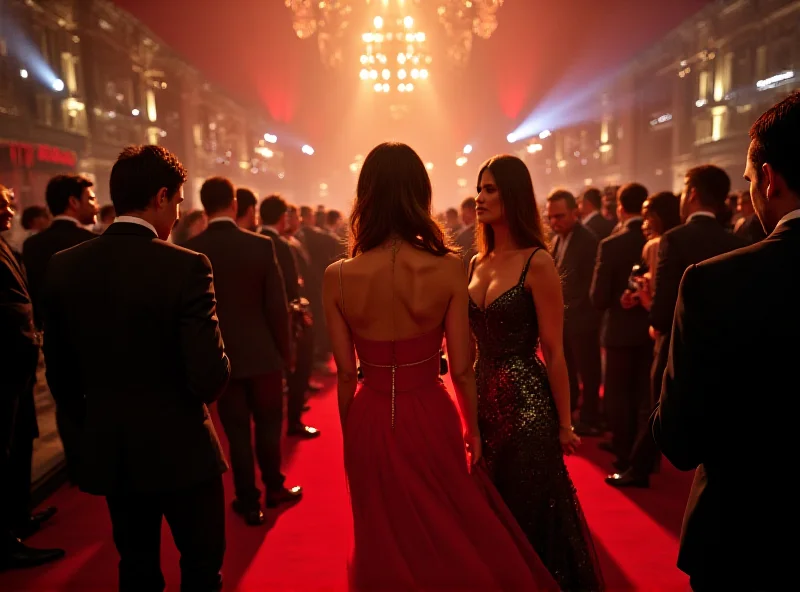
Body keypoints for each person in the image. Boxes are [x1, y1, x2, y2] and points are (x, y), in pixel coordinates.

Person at [323, 142, 558, 591]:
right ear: (420, 195)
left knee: (382, 534)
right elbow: (463, 368)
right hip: (431, 411)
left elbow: (347, 374)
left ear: (364, 195)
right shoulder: (449, 266)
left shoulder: (337, 275)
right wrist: (472, 430)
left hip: (370, 416)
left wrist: (351, 433)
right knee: (447, 526)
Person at [41, 145, 230, 591]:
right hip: (183, 447)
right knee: (202, 567)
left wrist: (97, 422)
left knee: (137, 566)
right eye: (179, 202)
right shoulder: (186, 266)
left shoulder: (65, 267)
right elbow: (209, 376)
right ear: (161, 197)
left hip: (114, 448)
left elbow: (60, 375)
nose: (179, 215)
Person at [653, 93, 800, 591]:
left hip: (743, 538)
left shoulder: (714, 282)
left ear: (770, 178)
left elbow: (679, 439)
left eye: (749, 179)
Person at [469, 155, 602, 591]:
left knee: (528, 518)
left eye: (490, 189)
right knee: (492, 519)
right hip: (484, 406)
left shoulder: (538, 262)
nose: (480, 197)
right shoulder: (475, 263)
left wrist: (565, 423)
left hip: (528, 408)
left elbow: (555, 352)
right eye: (479, 188)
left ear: (513, 195)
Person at [608, 170, 744, 489]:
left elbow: (667, 299)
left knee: (656, 402)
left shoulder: (675, 238)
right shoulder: (734, 240)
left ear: (693, 193)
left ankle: (639, 467)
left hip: (675, 338)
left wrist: (654, 320)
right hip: (721, 340)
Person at [185, 178, 302, 525]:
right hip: (264, 355)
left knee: (236, 433)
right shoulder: (260, 245)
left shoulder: (193, 249)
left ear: (205, 207)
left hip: (224, 359)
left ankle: (247, 499)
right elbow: (277, 307)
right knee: (269, 425)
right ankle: (275, 487)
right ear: (234, 204)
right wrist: (287, 351)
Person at [0, 185, 65, 571]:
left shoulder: (6, 243)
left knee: (21, 442)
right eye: (5, 205)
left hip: (17, 366)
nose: (12, 211)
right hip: (3, 366)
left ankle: (18, 517)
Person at [23, 175, 99, 483]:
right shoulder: (92, 242)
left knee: (64, 400)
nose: (94, 204)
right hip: (94, 338)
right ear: (73, 201)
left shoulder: (32, 245)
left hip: (52, 336)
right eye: (90, 198)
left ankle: (77, 466)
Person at [590, 183, 652, 474]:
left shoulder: (611, 244)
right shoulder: (661, 240)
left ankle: (624, 454)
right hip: (653, 329)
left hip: (618, 332)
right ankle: (646, 457)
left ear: (620, 208)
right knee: (645, 396)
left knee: (618, 395)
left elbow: (598, 298)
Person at [260, 195, 320, 438]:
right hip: (288, 318)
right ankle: (294, 421)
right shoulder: (282, 245)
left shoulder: (255, 239)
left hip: (262, 320)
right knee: (297, 369)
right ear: (283, 217)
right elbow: (294, 288)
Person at [545, 189, 603, 436]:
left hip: (583, 319)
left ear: (574, 212)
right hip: (564, 319)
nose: (554, 222)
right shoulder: (557, 238)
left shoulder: (589, 241)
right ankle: (570, 411)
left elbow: (590, 285)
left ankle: (590, 418)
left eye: (559, 216)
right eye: (551, 217)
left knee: (588, 371)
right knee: (567, 368)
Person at [455, 196, 477, 270]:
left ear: (473, 211)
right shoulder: (460, 231)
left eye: (464, 211)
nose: (462, 215)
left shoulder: (475, 232)